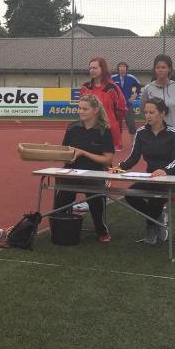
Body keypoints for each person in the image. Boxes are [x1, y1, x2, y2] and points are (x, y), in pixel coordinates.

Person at [112, 98, 175, 245]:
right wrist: (119, 167)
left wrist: (165, 170)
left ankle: (150, 226)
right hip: (151, 178)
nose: (147, 116)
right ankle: (157, 220)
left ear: (162, 113)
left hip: (170, 179)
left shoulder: (174, 133)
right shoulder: (141, 132)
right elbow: (133, 157)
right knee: (130, 194)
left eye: (152, 112)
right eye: (145, 112)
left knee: (156, 198)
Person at [53, 94, 116, 243]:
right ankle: (58, 228)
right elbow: (65, 153)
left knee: (96, 199)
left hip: (94, 173)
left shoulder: (104, 130)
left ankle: (101, 230)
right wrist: (53, 151)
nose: (81, 111)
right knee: (62, 198)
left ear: (95, 110)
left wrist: (84, 153)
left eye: (85, 109)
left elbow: (107, 160)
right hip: (71, 171)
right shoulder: (72, 128)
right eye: (79, 108)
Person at [79, 57, 127, 151]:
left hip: (108, 131)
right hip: (88, 131)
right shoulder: (85, 87)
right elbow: (81, 107)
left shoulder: (112, 88)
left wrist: (112, 121)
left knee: (107, 158)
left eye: (95, 68)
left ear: (103, 69)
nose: (92, 70)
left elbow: (121, 109)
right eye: (90, 68)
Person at [140, 54, 175, 134]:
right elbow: (143, 109)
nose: (160, 70)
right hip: (154, 132)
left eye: (163, 67)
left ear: (169, 69)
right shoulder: (148, 88)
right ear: (154, 69)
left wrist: (174, 120)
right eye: (157, 67)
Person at [111, 62, 141, 152]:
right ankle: (118, 144)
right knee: (117, 126)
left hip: (128, 105)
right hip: (116, 106)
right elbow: (107, 87)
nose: (122, 68)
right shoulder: (113, 78)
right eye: (120, 66)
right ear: (118, 68)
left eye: (124, 66)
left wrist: (135, 95)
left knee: (131, 124)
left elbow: (139, 86)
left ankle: (134, 144)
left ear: (126, 68)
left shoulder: (131, 77)